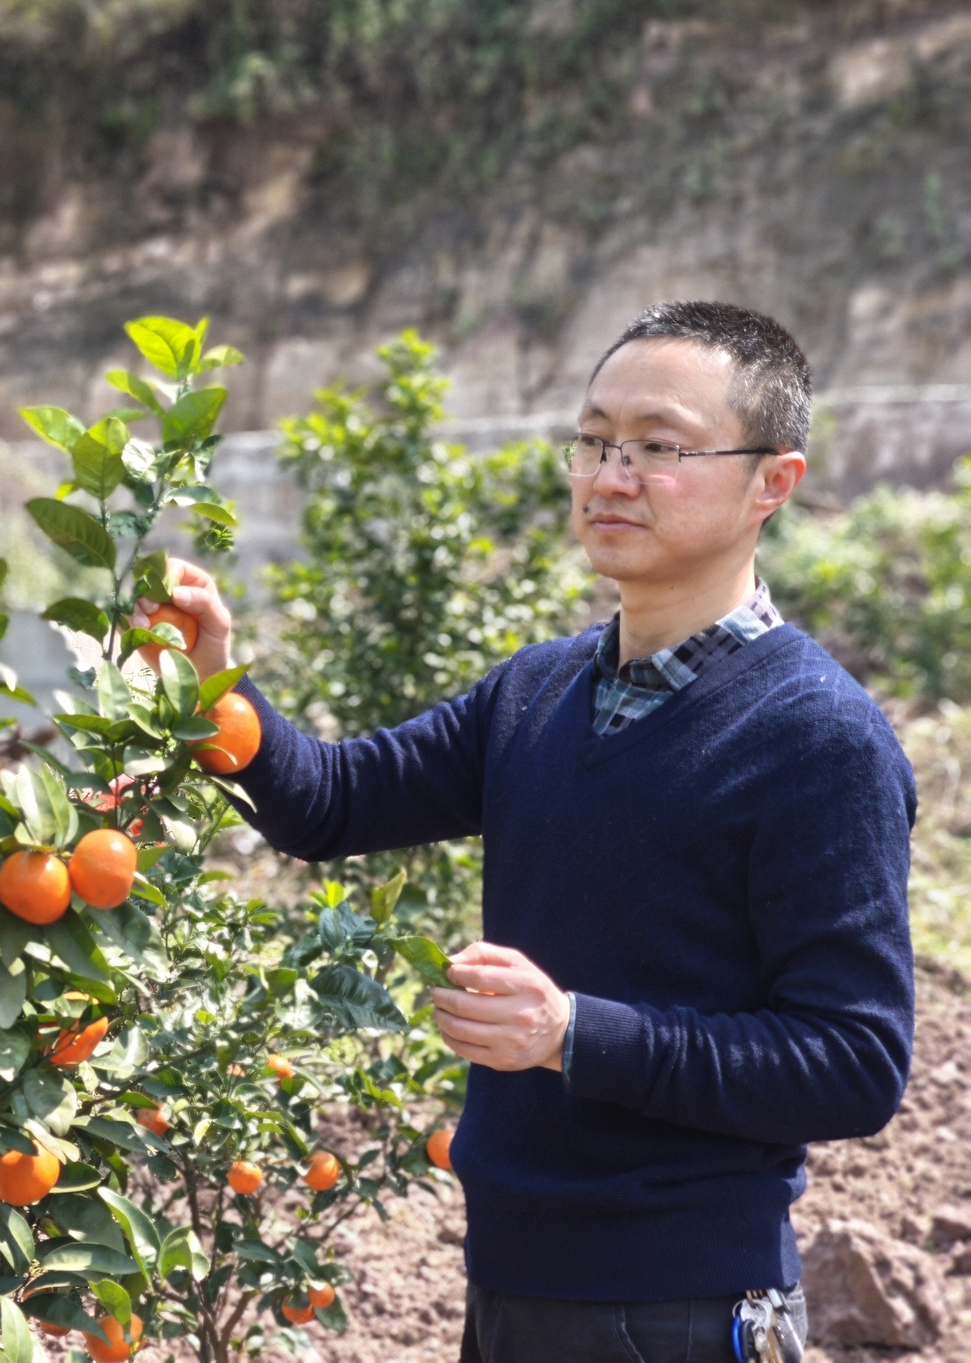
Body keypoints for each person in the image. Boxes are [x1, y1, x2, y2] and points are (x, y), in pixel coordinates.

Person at [142, 302, 915, 1362]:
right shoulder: (538, 693)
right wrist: (212, 683)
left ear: (771, 483)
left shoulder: (818, 738)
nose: (610, 476)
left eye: (660, 447)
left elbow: (852, 1062)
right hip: (510, 1285)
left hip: (683, 1306)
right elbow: (330, 803)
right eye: (594, 441)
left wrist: (571, 1034)